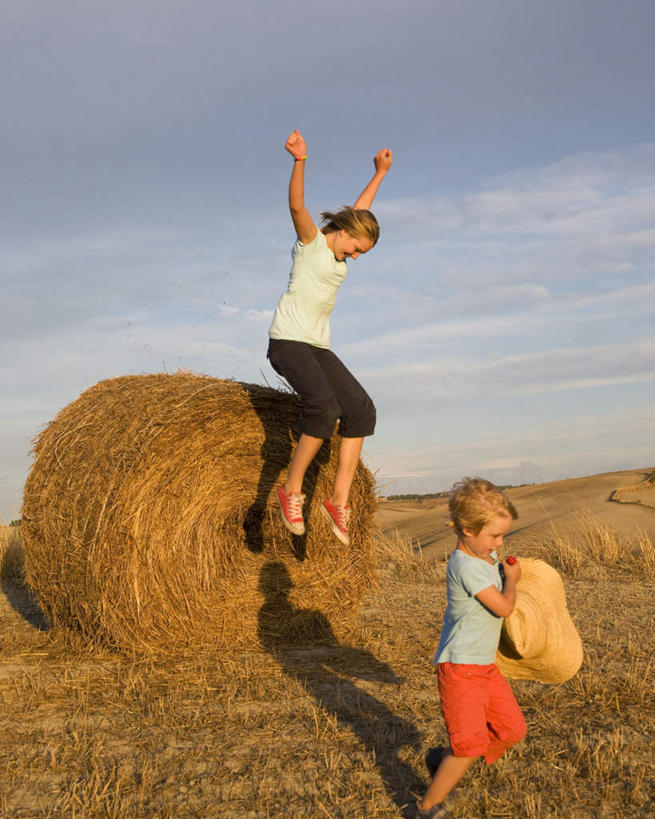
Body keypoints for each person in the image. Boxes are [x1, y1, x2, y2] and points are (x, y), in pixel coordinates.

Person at [268, 129, 392, 547]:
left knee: (360, 410)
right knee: (323, 408)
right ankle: (292, 490)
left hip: (317, 346)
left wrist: (379, 173)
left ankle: (338, 501)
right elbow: (296, 204)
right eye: (357, 249)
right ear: (342, 233)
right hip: (288, 342)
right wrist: (300, 160)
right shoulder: (311, 245)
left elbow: (361, 212)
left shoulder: (344, 246)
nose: (356, 257)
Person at [417, 478, 527, 818]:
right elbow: (504, 608)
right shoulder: (466, 566)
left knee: (512, 729)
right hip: (461, 669)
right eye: (494, 535)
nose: (500, 543)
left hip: (485, 666)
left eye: (503, 534)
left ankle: (448, 759)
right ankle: (428, 807)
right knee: (471, 745)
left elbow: (495, 558)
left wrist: (502, 562)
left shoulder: (484, 554)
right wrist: (512, 581)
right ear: (466, 529)